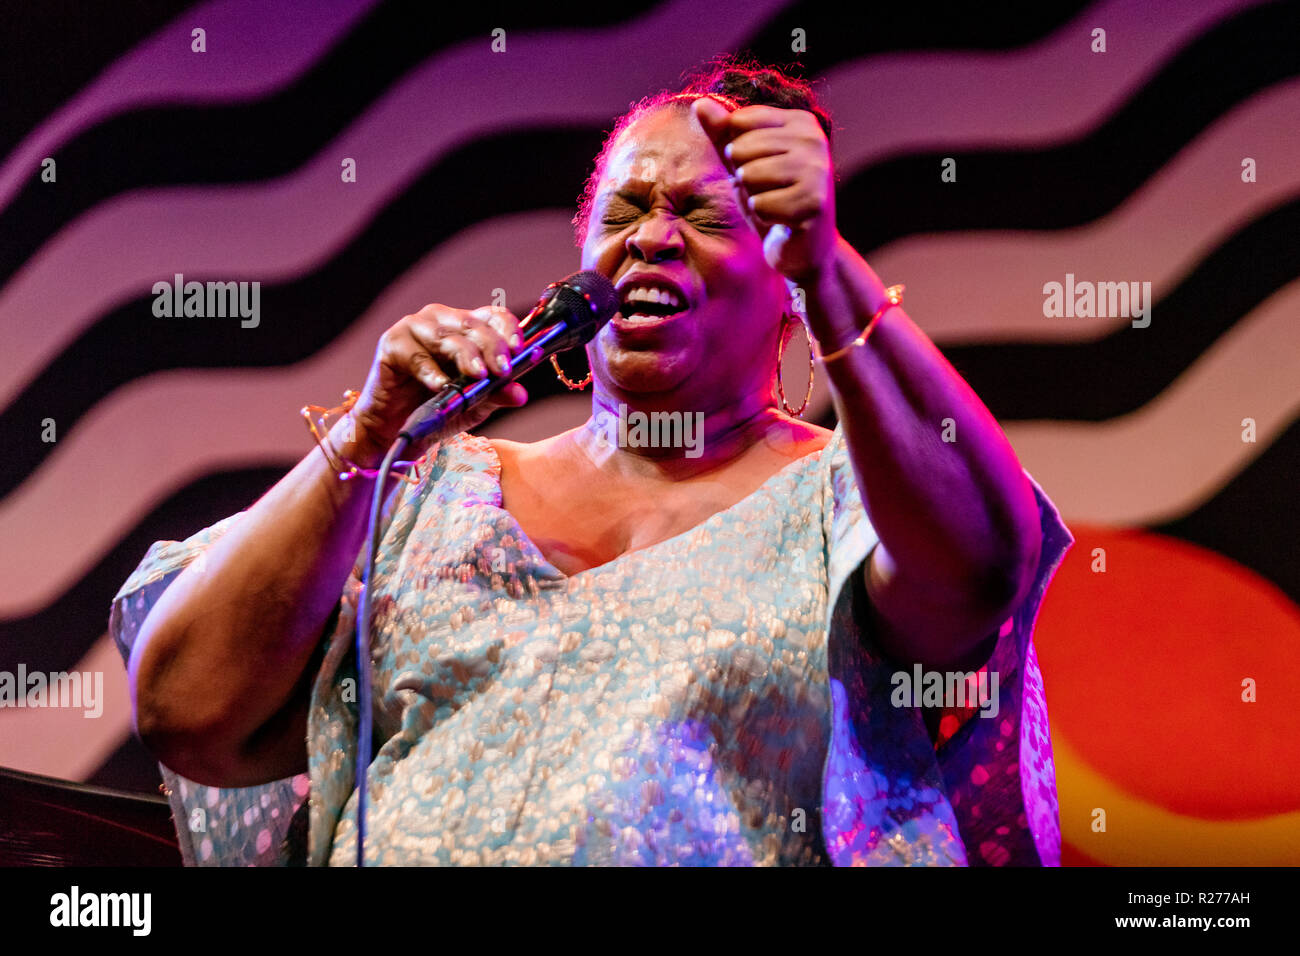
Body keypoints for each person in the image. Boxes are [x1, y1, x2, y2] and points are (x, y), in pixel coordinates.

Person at [111, 57, 1072, 866]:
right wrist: (368, 432)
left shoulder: (841, 499)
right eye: (625, 213)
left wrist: (831, 270)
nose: (653, 238)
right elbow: (188, 710)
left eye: (706, 216)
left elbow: (984, 564)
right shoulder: (427, 484)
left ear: (785, 285)